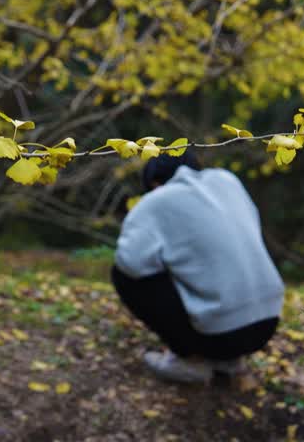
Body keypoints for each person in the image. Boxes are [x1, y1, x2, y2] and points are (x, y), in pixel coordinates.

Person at [112, 150, 284, 384]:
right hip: (267, 324)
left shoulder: (157, 200)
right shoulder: (228, 181)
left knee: (123, 276)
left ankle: (189, 360)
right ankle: (229, 361)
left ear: (154, 183)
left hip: (221, 334)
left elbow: (130, 262)